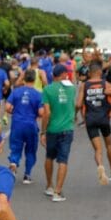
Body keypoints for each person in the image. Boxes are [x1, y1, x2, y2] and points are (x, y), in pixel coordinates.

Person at [39, 64, 76, 201]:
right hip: (67, 128)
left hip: (52, 129)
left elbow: (46, 113)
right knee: (63, 159)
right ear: (62, 75)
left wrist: (43, 131)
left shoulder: (47, 90)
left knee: (49, 157)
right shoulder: (71, 88)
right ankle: (58, 192)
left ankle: (49, 185)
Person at [77, 61, 111, 185]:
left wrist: (81, 115)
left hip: (90, 118)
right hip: (104, 117)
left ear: (90, 73)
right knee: (109, 145)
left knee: (98, 149)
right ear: (100, 72)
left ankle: (100, 165)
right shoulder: (106, 84)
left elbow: (78, 104)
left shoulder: (84, 85)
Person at [5, 69, 44, 184]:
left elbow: (7, 107)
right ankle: (27, 174)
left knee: (15, 146)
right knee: (31, 150)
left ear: (24, 78)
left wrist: (15, 112)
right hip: (31, 125)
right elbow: (41, 112)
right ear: (35, 79)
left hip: (17, 123)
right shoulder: (38, 94)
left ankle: (13, 163)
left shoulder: (16, 92)